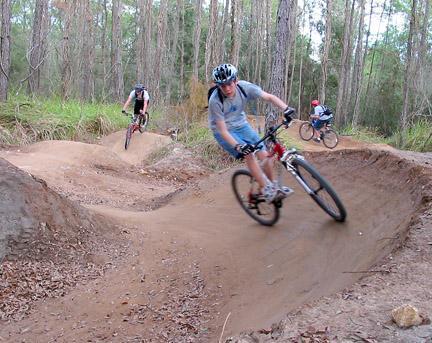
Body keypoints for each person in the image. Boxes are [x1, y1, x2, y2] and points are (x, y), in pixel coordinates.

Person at [208, 63, 294, 203]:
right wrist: (238, 146)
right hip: (223, 131)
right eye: (223, 86)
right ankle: (266, 188)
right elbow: (223, 131)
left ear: (236, 80)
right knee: (249, 154)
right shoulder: (215, 101)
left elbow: (269, 97)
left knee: (264, 154)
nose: (227, 88)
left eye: (230, 83)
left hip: (241, 125)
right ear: (218, 86)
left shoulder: (244, 87)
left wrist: (286, 108)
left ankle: (271, 188)